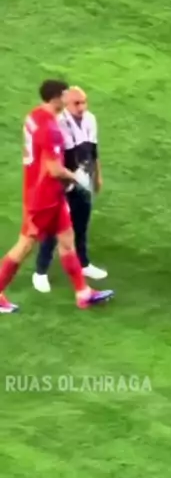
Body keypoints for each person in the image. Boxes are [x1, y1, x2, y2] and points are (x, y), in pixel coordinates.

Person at [0, 80, 114, 314]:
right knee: (24, 245)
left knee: (67, 240)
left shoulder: (34, 116)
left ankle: (83, 293)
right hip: (43, 196)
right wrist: (78, 178)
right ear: (55, 98)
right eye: (64, 95)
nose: (67, 98)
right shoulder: (50, 129)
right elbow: (54, 170)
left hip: (46, 191)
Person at [33, 86, 107, 293]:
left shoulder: (90, 119)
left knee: (81, 223)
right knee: (53, 229)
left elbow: (93, 151)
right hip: (61, 184)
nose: (81, 107)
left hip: (83, 181)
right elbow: (55, 159)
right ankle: (40, 272)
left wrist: (97, 176)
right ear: (66, 104)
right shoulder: (57, 124)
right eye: (76, 103)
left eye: (84, 102)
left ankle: (83, 263)